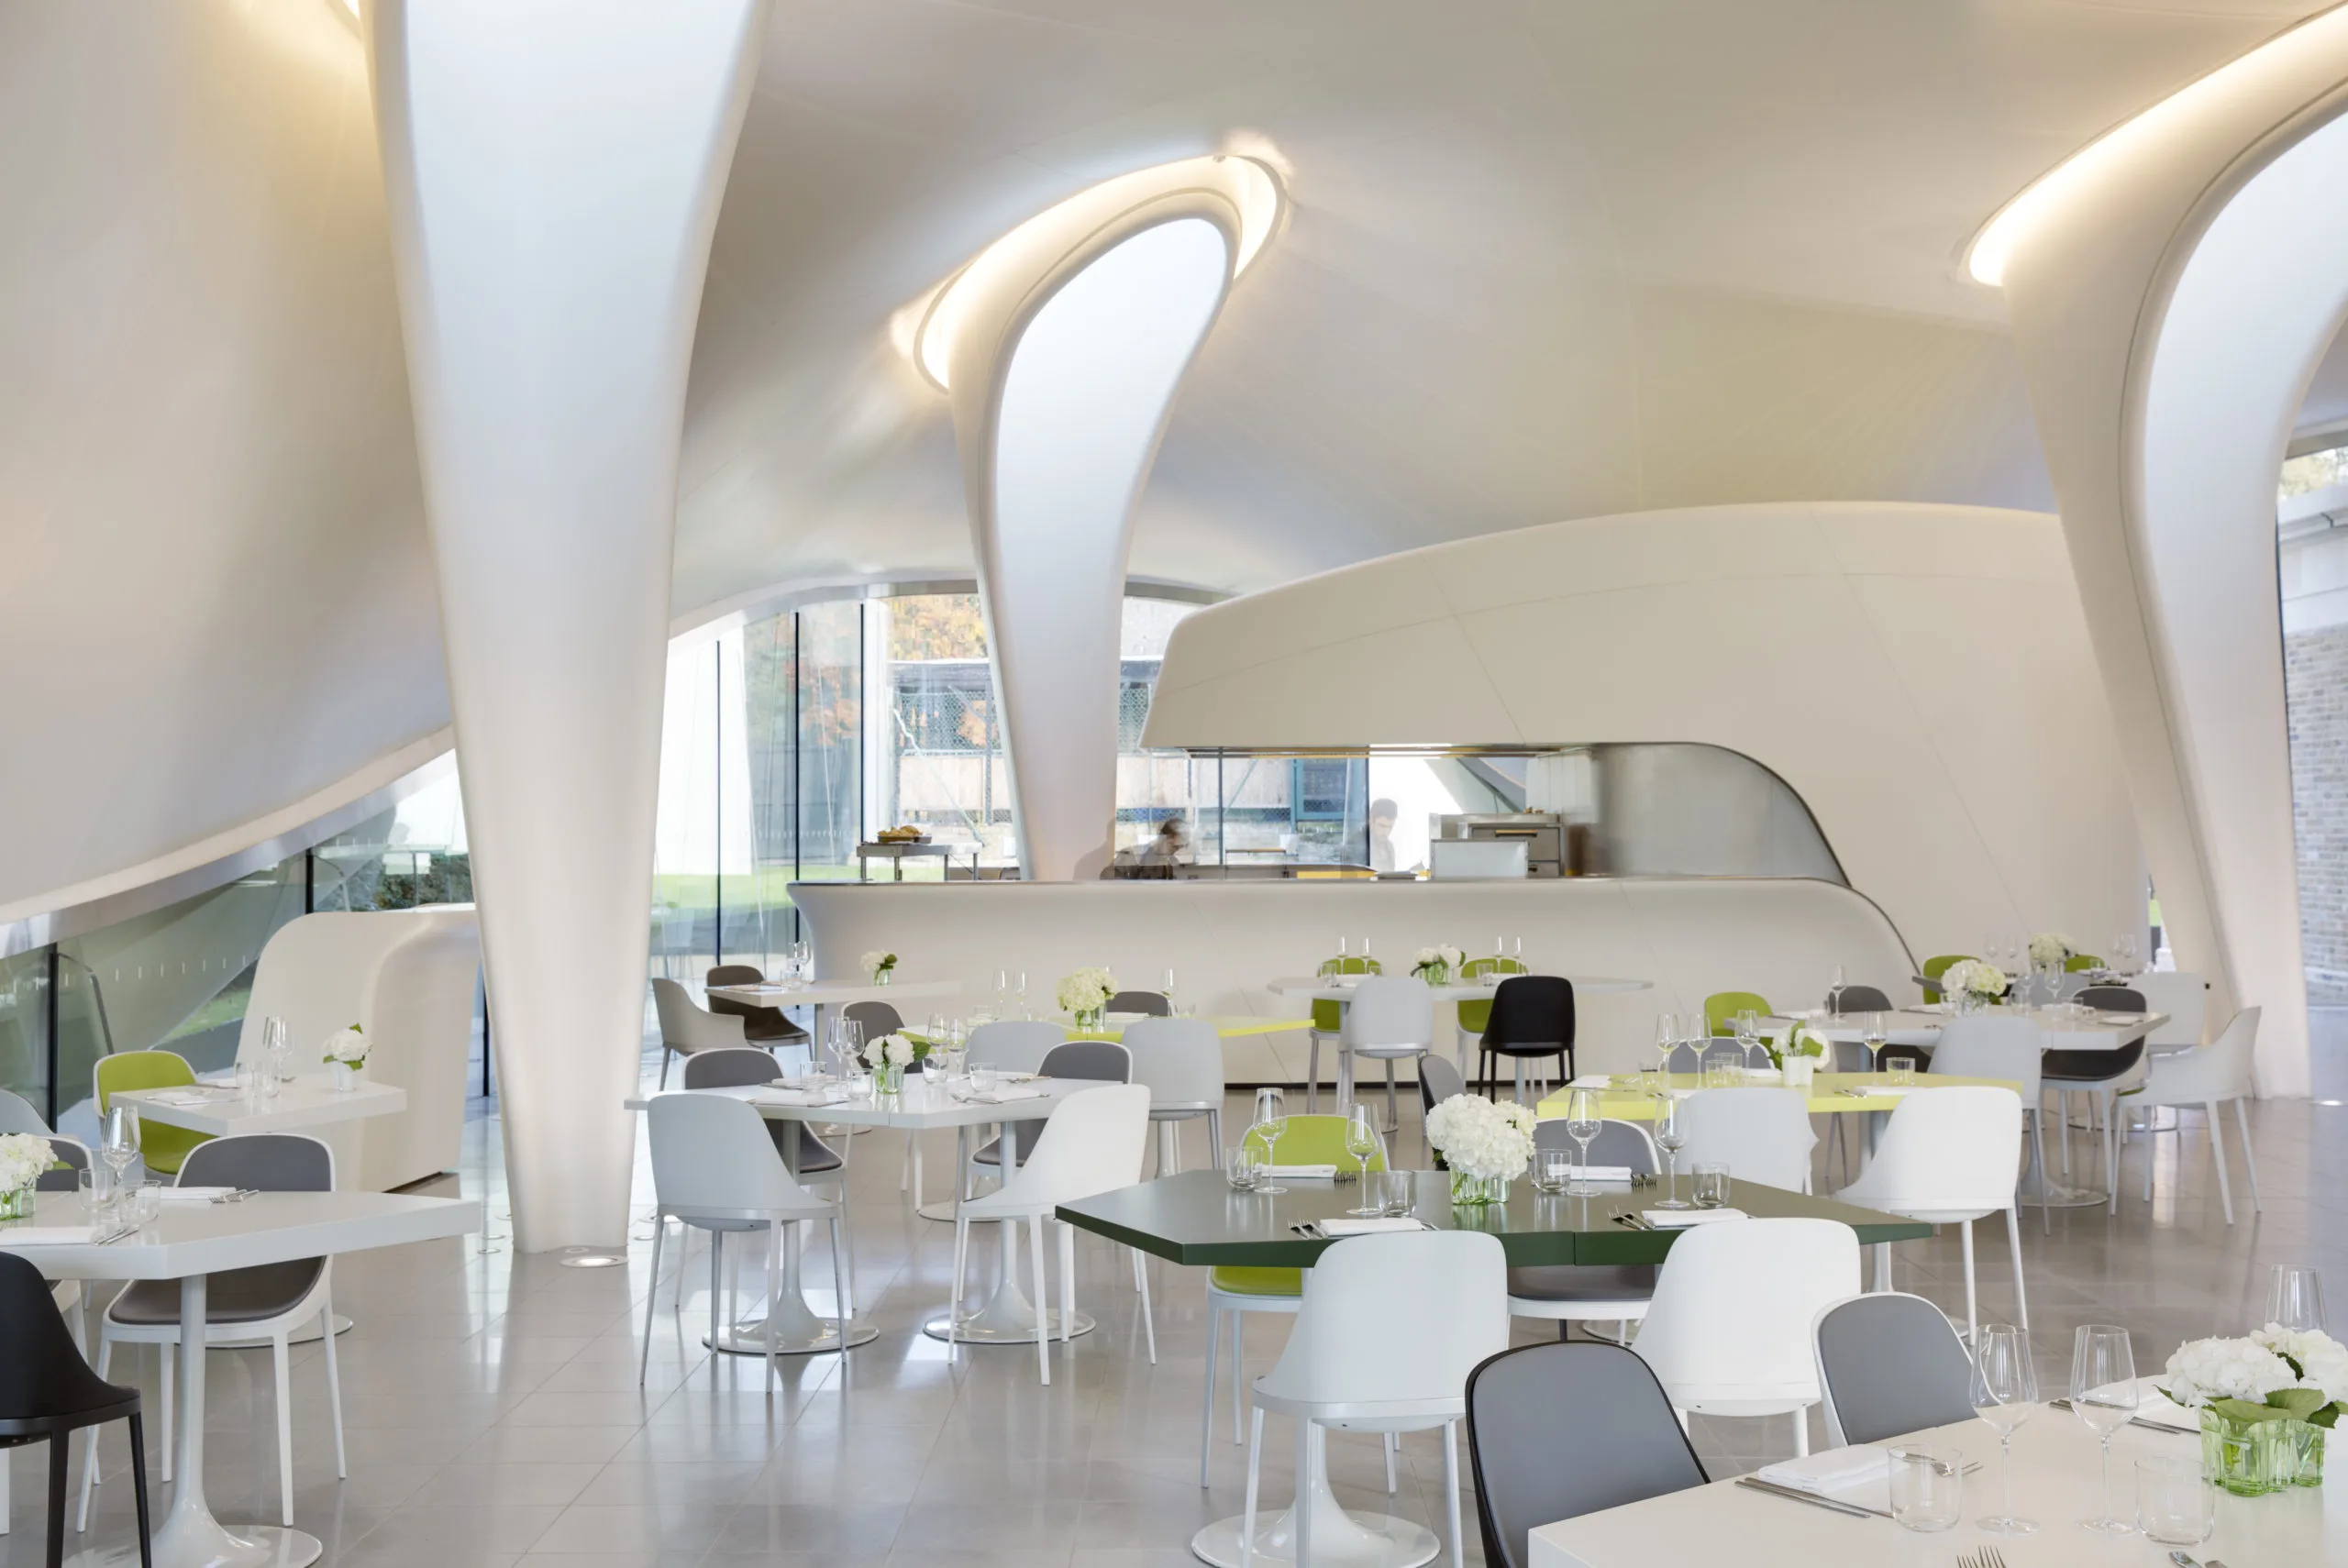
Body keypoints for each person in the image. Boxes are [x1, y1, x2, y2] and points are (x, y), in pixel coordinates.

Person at [1368, 798, 1399, 873]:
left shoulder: (1389, 847)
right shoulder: (1355, 845)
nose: (1386, 832)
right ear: (1371, 819)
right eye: (1382, 826)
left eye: (1390, 827)